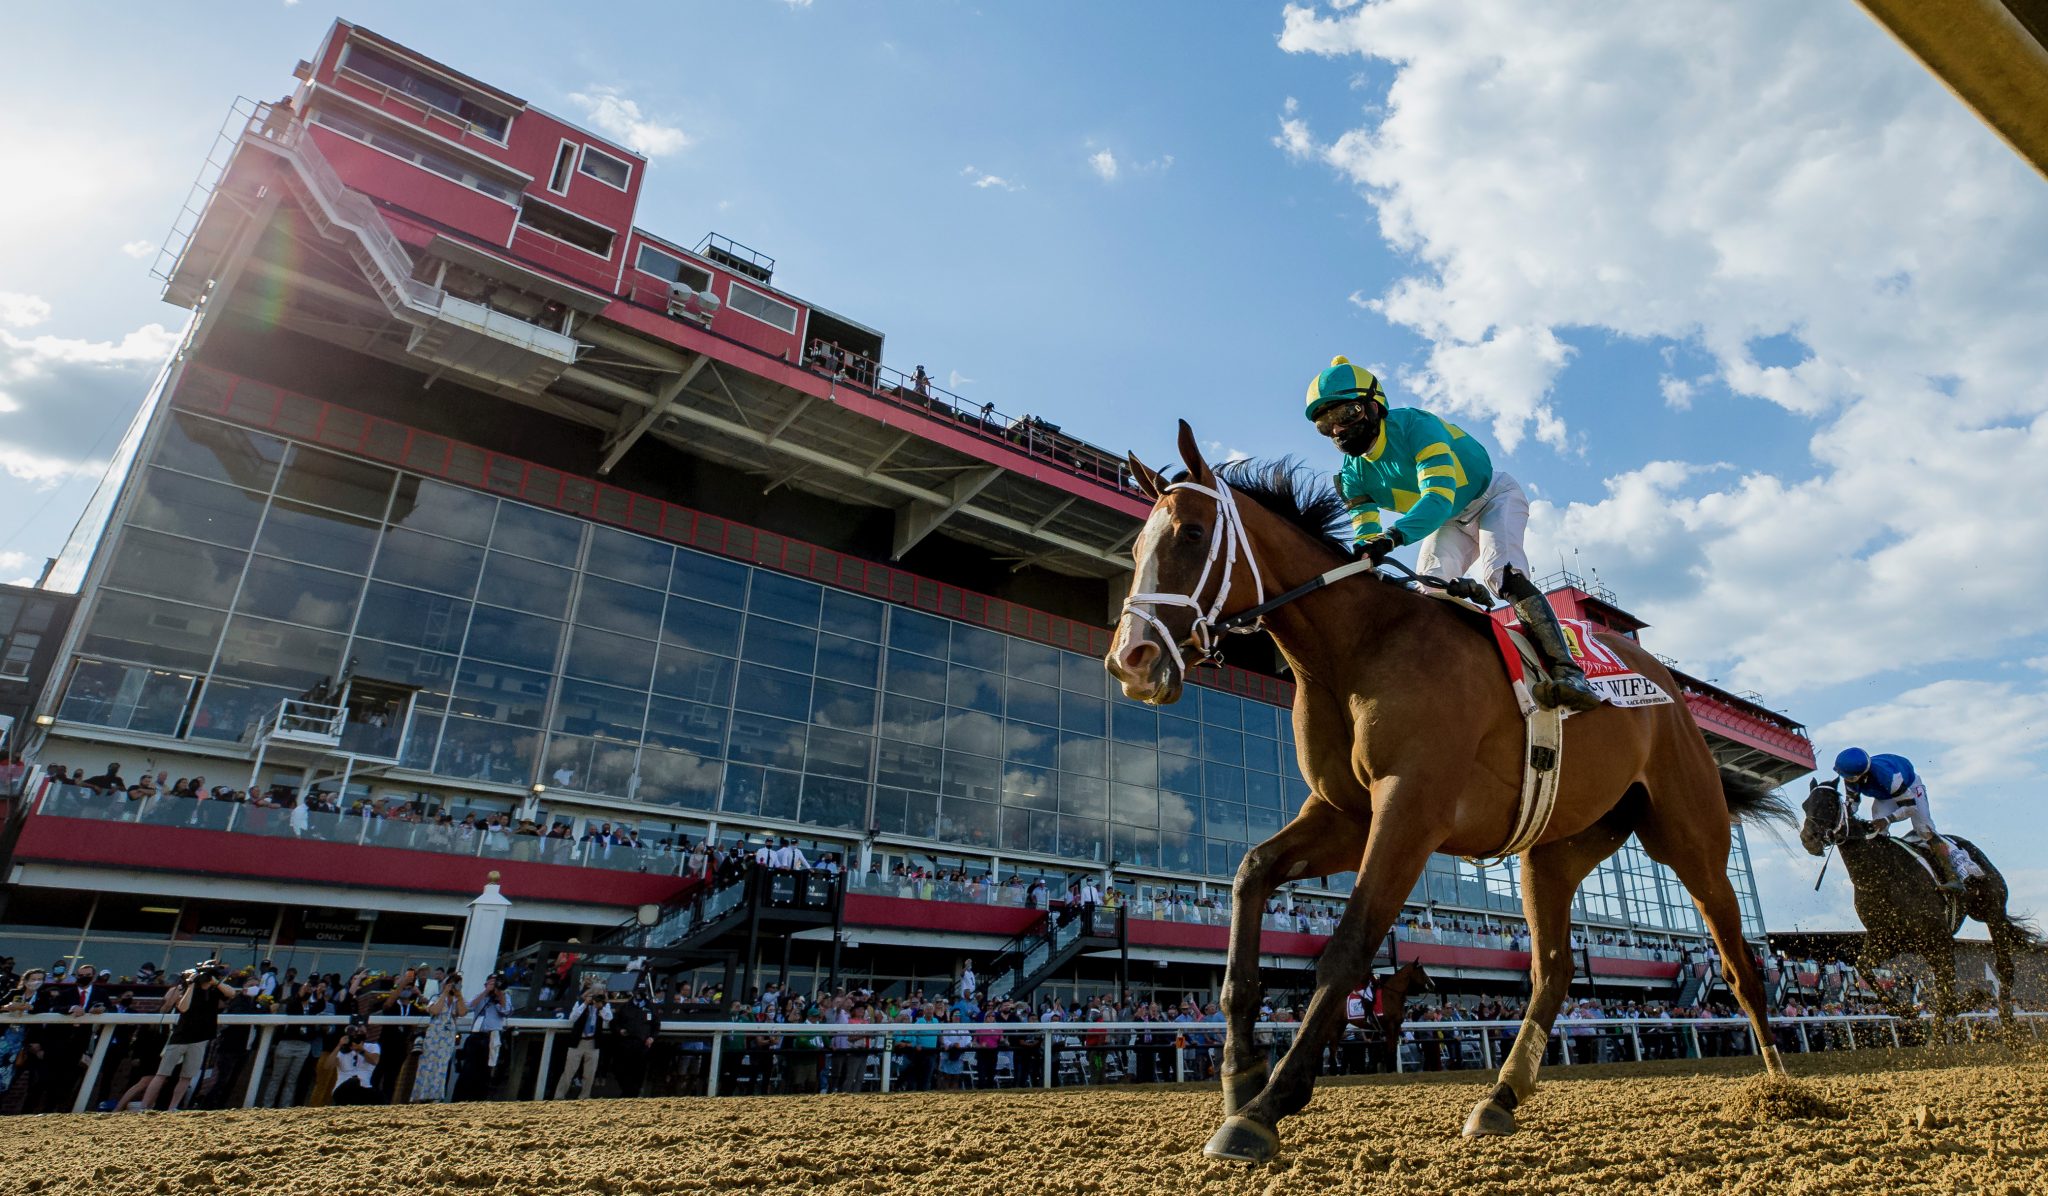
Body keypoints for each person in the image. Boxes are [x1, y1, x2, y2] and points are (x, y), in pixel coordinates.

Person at [1304, 355, 1600, 711]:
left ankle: (1569, 672)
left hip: (1492, 497)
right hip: (1447, 522)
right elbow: (1367, 540)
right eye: (1325, 424)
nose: (1337, 430)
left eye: (1345, 415)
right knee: (1426, 591)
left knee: (1501, 575)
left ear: (1374, 405)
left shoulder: (1416, 425)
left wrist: (1392, 538)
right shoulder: (1350, 476)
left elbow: (1439, 496)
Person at [1833, 747, 1965, 891]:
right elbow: (1852, 804)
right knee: (1877, 833)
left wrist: (1887, 819)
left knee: (1924, 828)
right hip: (1884, 795)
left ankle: (1953, 877)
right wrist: (1840, 821)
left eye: (1850, 778)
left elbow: (1910, 808)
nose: (1847, 780)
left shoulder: (1888, 776)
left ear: (1861, 773)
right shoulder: (1851, 776)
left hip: (1910, 789)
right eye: (1845, 777)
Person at [130, 961, 230, 1112]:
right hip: (180, 1037)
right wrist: (191, 985)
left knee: (186, 1076)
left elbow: (232, 993)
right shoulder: (188, 988)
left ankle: (173, 1108)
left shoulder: (215, 991)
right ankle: (144, 1107)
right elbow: (183, 1007)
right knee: (162, 1074)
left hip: (200, 1038)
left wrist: (215, 982)